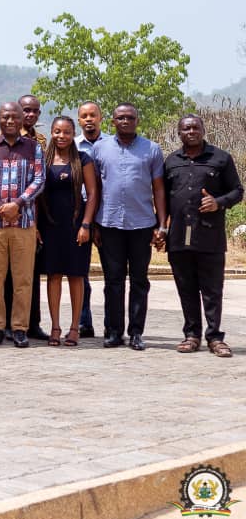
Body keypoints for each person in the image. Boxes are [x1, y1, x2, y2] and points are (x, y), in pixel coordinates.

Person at [163, 115, 242, 358]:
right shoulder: (171, 162)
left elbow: (238, 191)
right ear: (179, 133)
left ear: (203, 130)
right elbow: (163, 199)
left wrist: (217, 203)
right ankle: (192, 335)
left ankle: (215, 337)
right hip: (178, 236)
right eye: (186, 128)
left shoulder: (221, 158)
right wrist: (161, 229)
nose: (191, 131)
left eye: (196, 127)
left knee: (212, 290)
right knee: (185, 288)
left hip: (209, 236)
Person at [92, 103, 166, 351]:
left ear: (137, 120)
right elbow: (94, 190)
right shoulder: (100, 149)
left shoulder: (152, 149)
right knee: (113, 281)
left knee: (139, 280)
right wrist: (92, 224)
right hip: (109, 223)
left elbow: (158, 189)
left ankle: (136, 333)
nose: (125, 121)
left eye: (130, 117)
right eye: (120, 117)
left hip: (142, 224)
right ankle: (113, 332)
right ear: (112, 122)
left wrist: (162, 224)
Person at [0, 102, 45, 348]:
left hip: (24, 224)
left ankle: (19, 328)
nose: (10, 120)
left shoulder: (34, 148)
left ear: (21, 119)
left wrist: (18, 204)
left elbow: (39, 179)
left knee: (23, 279)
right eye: (5, 117)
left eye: (15, 116)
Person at [38, 116, 99, 347]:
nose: (61, 136)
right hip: (50, 224)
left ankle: (75, 328)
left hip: (76, 225)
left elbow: (93, 194)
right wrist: (35, 227)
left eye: (66, 132)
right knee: (53, 276)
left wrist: (86, 224)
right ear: (52, 133)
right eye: (57, 131)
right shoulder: (43, 159)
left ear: (74, 134)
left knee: (76, 275)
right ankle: (55, 326)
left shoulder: (83, 159)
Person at [7, 93, 48, 341]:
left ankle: (32, 322)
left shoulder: (43, 141)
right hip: (10, 215)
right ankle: (11, 324)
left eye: (34, 111)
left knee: (31, 274)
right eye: (26, 110)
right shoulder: (5, 140)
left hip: (35, 214)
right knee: (10, 276)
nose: (30, 115)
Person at [74, 101, 109, 338]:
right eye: (84, 116)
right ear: (79, 120)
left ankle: (112, 324)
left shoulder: (113, 145)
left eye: (93, 115)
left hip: (108, 217)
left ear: (101, 118)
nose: (89, 119)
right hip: (81, 217)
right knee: (80, 274)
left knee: (112, 275)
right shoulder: (72, 145)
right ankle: (84, 321)